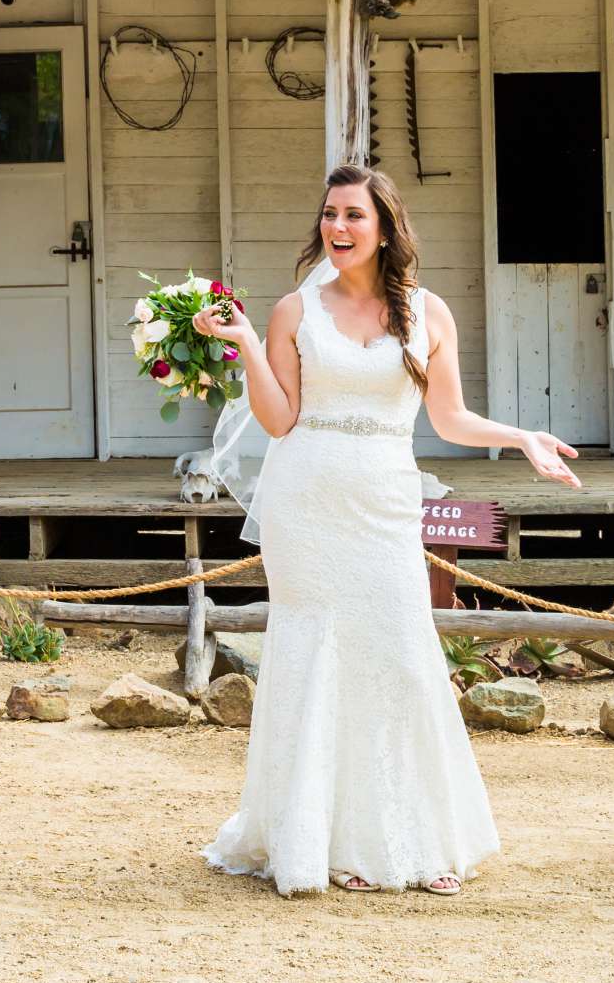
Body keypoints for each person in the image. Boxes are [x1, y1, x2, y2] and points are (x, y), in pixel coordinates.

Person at [194, 164, 582, 896]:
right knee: (319, 655)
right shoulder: (291, 312)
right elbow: (279, 419)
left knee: (400, 653)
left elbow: (450, 418)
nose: (337, 228)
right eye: (329, 215)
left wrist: (523, 435)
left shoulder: (426, 312)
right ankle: (328, 842)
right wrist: (246, 341)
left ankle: (417, 837)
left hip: (384, 500)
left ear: (383, 228)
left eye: (353, 216)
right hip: (306, 501)